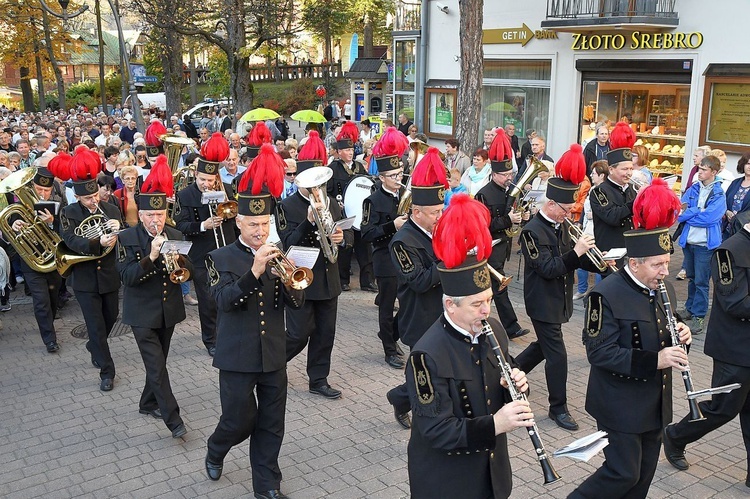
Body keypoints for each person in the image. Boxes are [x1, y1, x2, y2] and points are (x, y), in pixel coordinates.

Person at [405, 194, 533, 499]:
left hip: (491, 475)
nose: (486, 310)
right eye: (477, 304)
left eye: (488, 300)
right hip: (447, 481)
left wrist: (516, 385)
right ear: (450, 305)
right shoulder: (425, 356)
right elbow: (436, 429)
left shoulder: (495, 332)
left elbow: (498, 392)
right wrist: (495, 424)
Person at [570, 179, 691, 499]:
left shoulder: (661, 288)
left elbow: (668, 329)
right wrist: (656, 359)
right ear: (635, 263)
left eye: (667, 262)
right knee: (622, 473)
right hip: (618, 403)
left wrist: (683, 336)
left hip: (655, 401)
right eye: (658, 264)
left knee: (643, 478)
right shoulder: (605, 295)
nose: (666, 271)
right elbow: (600, 353)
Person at [205, 173, 304, 498]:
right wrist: (255, 272)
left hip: (273, 354)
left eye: (264, 224)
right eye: (253, 225)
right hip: (237, 356)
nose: (260, 231)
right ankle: (216, 448)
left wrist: (291, 282)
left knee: (272, 423)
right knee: (238, 421)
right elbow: (223, 302)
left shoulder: (278, 253)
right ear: (239, 224)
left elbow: (297, 300)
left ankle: (267, 486)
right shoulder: (218, 258)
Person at [516, 145, 599, 431]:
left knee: (542, 346)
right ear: (551, 204)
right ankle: (557, 408)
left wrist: (601, 263)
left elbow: (572, 261)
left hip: (558, 299)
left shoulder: (560, 226)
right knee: (557, 355)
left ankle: (512, 371)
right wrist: (576, 252)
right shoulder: (531, 232)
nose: (570, 213)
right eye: (566, 209)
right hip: (542, 301)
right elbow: (550, 268)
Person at [663, 220, 750, 488]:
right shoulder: (729, 251)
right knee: (723, 408)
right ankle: (676, 436)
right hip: (734, 349)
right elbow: (735, 302)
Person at [116, 176, 192, 439]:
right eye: (150, 214)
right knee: (157, 367)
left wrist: (180, 258)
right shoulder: (126, 237)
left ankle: (147, 403)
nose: (155, 220)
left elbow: (189, 272)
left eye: (160, 214)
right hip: (141, 314)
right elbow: (127, 278)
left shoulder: (175, 234)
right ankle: (173, 419)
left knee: (159, 362)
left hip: (168, 311)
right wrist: (151, 257)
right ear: (141, 214)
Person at [277, 158, 352, 399]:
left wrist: (344, 238)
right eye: (310, 184)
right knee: (299, 333)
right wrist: (308, 221)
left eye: (318, 183)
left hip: (328, 278)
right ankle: (271, 362)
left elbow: (347, 232)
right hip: (302, 279)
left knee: (325, 332)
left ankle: (318, 379)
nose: (315, 189)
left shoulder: (330, 202)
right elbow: (286, 243)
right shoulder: (286, 206)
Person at [386, 147, 447, 428]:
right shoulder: (402, 241)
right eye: (435, 212)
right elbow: (420, 281)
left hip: (445, 311)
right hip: (419, 315)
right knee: (423, 371)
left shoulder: (437, 229)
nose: (440, 215)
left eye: (441, 209)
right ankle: (402, 399)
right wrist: (449, 257)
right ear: (417, 212)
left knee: (441, 367)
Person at [59, 150, 123, 391]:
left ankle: (95, 345)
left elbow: (123, 238)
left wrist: (119, 228)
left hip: (109, 275)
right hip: (85, 278)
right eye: (88, 199)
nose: (94, 201)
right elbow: (70, 241)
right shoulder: (68, 213)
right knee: (95, 326)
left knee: (112, 317)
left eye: (96, 195)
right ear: (77, 196)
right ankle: (107, 372)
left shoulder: (112, 209)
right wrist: (97, 242)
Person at [174, 133, 237, 356]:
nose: (207, 184)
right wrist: (203, 225)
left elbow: (234, 213)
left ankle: (227, 333)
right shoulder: (184, 194)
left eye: (210, 181)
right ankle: (210, 340)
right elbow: (180, 224)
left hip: (226, 250)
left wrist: (227, 214)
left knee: (228, 295)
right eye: (203, 180)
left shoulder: (225, 189)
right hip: (201, 255)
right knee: (208, 300)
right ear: (196, 176)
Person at [475, 131, 530, 340]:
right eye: (505, 175)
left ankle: (489, 324)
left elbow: (514, 216)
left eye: (510, 175)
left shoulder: (510, 191)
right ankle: (510, 326)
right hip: (490, 246)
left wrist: (522, 216)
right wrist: (509, 220)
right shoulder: (484, 193)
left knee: (491, 289)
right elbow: (484, 225)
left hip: (503, 246)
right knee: (498, 289)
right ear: (495, 173)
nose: (509, 178)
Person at [360, 150, 409, 369]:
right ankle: (389, 350)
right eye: (393, 175)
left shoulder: (406, 196)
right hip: (385, 257)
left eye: (400, 173)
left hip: (406, 257)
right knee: (387, 306)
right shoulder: (372, 201)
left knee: (408, 303)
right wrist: (393, 226)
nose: (399, 179)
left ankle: (389, 334)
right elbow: (367, 233)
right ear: (381, 178)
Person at [9, 168, 65, 352]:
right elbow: (9, 229)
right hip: (32, 263)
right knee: (41, 301)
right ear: (32, 187)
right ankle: (49, 339)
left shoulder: (58, 207)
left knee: (52, 298)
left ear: (52, 190)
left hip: (53, 261)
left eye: (46, 190)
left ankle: (49, 323)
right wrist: (15, 225)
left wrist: (51, 222)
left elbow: (66, 234)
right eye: (38, 188)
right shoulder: (20, 208)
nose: (42, 193)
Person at [676, 154, 726, 334]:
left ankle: (698, 316)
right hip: (689, 241)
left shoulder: (719, 193)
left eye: (704, 170)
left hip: (705, 244)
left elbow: (711, 218)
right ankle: (690, 309)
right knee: (691, 277)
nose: (699, 172)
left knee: (701, 281)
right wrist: (697, 210)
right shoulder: (694, 188)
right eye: (699, 168)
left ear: (713, 172)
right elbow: (679, 212)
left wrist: (691, 214)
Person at [328, 125, 374, 292]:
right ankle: (343, 280)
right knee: (345, 247)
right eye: (346, 150)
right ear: (339, 152)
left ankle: (367, 281)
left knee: (364, 248)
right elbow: (329, 192)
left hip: (359, 215)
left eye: (351, 149)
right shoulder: (333, 169)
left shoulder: (359, 167)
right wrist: (336, 204)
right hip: (342, 214)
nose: (350, 152)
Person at [589, 122, 637, 269]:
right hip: (610, 253)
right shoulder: (599, 191)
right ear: (611, 169)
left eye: (631, 168)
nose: (629, 173)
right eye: (624, 169)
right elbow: (612, 216)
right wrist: (636, 201)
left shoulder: (631, 189)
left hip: (629, 249)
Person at [574, 160, 608, 300]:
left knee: (599, 263)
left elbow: (608, 213)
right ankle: (582, 289)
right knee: (580, 260)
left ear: (602, 176)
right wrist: (580, 222)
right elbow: (584, 208)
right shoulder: (593, 189)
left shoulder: (605, 191)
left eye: (594, 173)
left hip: (598, 232)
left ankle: (597, 293)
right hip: (587, 230)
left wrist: (594, 215)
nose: (591, 175)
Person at [722, 153, 750, 240]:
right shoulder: (735, 182)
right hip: (728, 228)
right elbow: (724, 201)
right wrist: (727, 212)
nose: (749, 167)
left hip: (744, 232)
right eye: (748, 164)